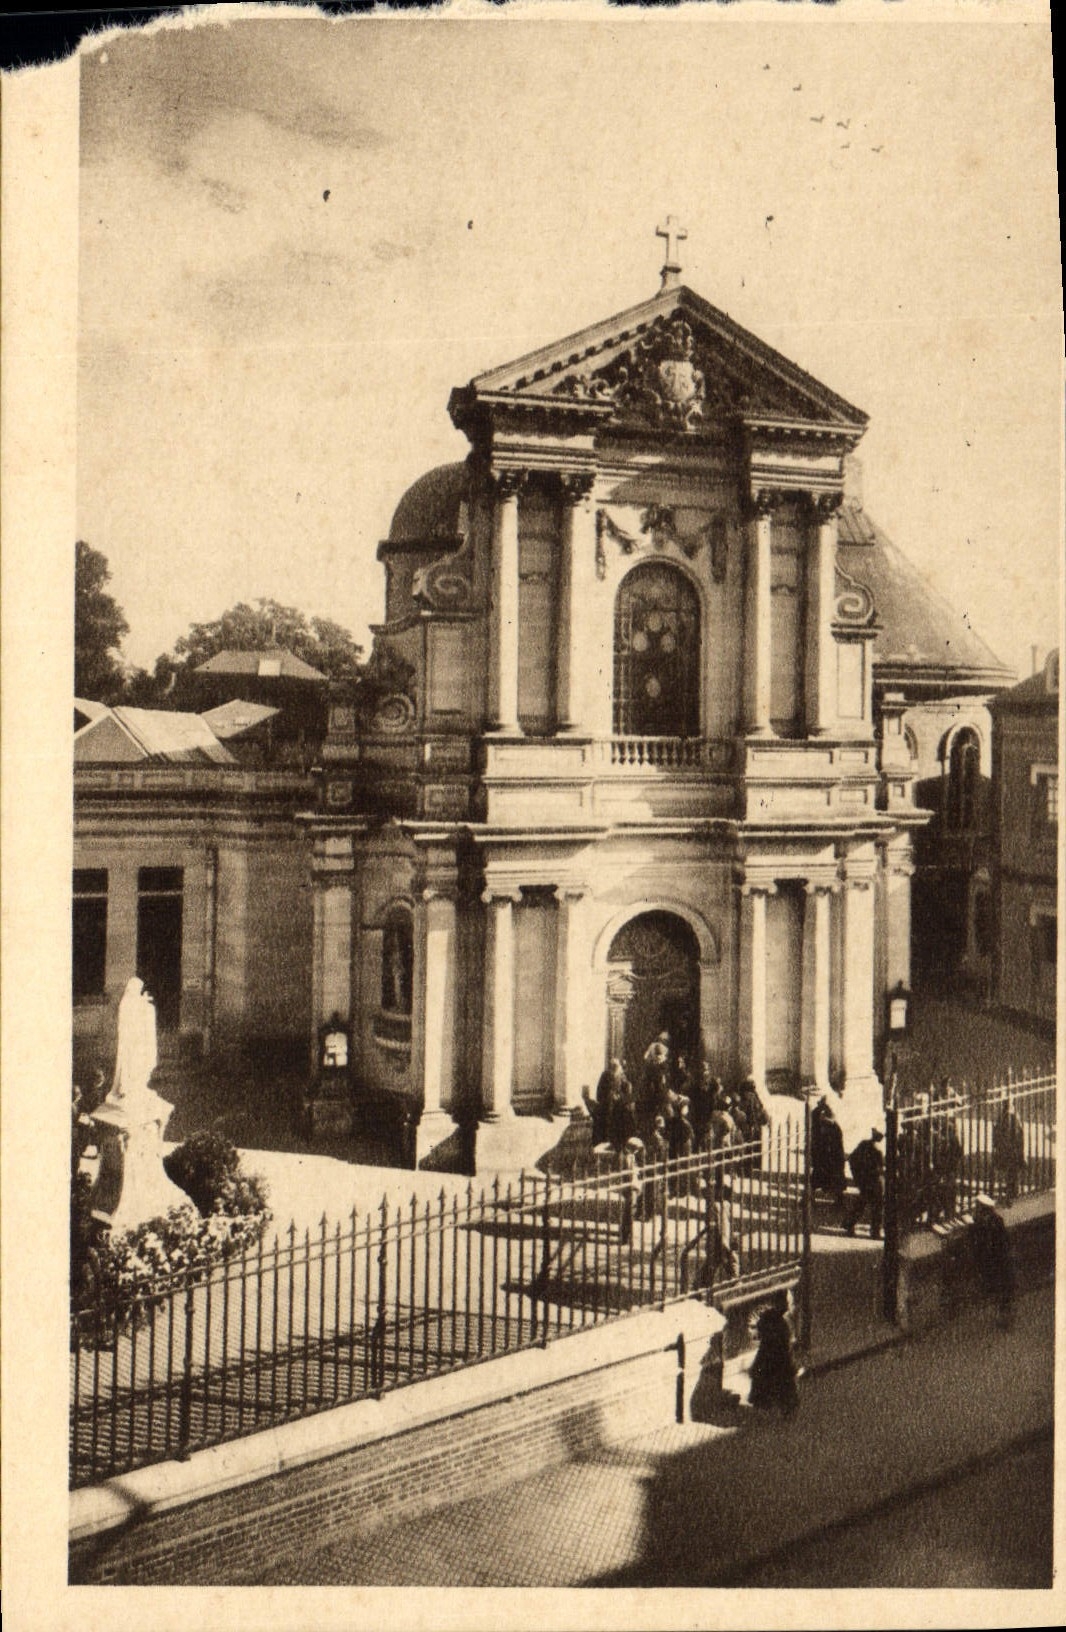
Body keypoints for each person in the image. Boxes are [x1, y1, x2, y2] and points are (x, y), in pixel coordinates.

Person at [747, 1293, 800, 1415]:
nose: (787, 1306)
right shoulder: (779, 1321)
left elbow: (761, 1329)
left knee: (769, 1380)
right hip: (777, 1356)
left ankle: (772, 1405)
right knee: (781, 1382)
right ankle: (783, 1406)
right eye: (785, 1303)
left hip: (770, 1355)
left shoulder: (771, 1317)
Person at [970, 1193, 1015, 1328]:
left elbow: (995, 1242)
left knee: (999, 1290)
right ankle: (1003, 1317)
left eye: (978, 1207)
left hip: (996, 1261)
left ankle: (1003, 1317)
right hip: (997, 1261)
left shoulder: (986, 1223)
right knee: (1000, 1290)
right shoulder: (993, 1221)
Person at [845, 1128, 885, 1239]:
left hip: (865, 1180)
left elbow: (852, 1158)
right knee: (877, 1207)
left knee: (861, 1204)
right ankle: (875, 1231)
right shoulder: (878, 1150)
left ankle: (849, 1224)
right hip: (876, 1182)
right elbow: (881, 1167)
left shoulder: (863, 1144)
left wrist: (857, 1177)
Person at [809, 1095, 847, 1205]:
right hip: (823, 1153)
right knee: (817, 1175)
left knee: (834, 1175)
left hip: (830, 1153)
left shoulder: (833, 1124)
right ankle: (811, 1197)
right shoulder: (818, 1116)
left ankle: (839, 1199)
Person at [992, 1098, 1026, 1205]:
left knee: (1012, 1170)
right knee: (1011, 1170)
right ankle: (1012, 1189)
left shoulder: (1011, 1116)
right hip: (1009, 1148)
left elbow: (1017, 1134)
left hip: (1010, 1148)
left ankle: (1013, 1191)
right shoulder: (1009, 1115)